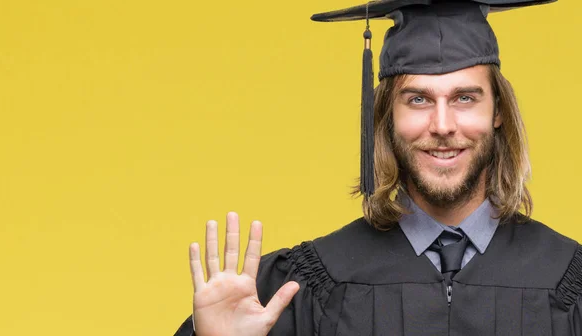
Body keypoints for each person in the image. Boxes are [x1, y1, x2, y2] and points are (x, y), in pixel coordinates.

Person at [176, 0, 582, 335]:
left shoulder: (569, 281)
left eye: (465, 98)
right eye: (418, 100)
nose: (442, 126)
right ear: (386, 114)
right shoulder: (303, 289)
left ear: (498, 112)